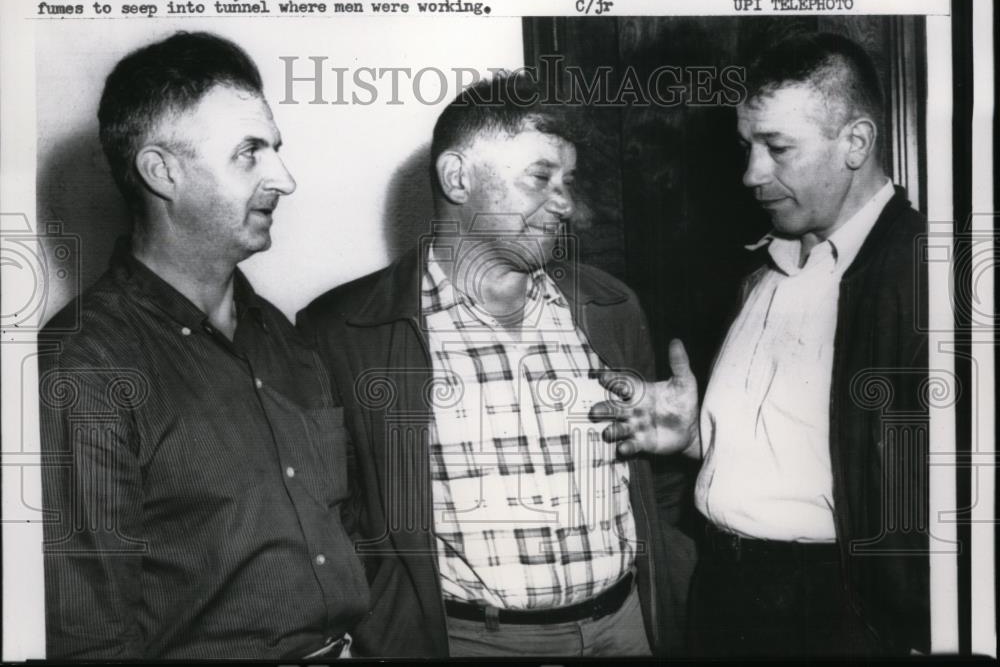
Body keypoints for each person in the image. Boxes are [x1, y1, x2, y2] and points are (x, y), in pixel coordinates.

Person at [298, 73, 695, 658]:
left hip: (626, 631)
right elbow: (333, 517)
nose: (567, 205)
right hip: (467, 643)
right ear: (458, 177)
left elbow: (651, 481)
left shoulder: (612, 306)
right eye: (541, 177)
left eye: (569, 182)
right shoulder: (343, 330)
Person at [593, 31, 929, 656]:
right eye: (747, 147)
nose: (752, 174)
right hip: (724, 587)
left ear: (855, 142)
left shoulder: (926, 279)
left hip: (835, 611)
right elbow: (804, 446)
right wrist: (695, 437)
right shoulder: (758, 267)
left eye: (778, 148)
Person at [38, 32, 368, 659]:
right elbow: (86, 638)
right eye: (250, 153)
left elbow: (342, 533)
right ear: (162, 172)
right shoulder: (82, 365)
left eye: (275, 149)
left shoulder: (288, 343)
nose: (285, 178)